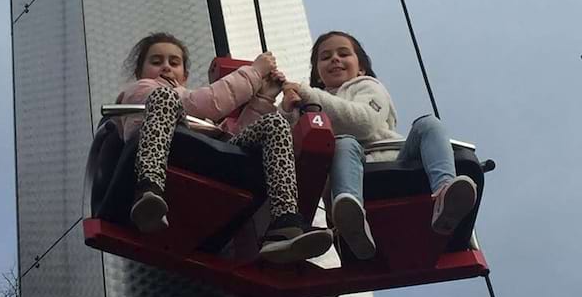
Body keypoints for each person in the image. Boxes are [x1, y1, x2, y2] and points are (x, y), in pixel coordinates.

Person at [115, 32, 332, 264]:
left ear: (185, 75)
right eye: (156, 62)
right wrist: (255, 71)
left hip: (203, 158)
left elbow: (232, 141)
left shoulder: (197, 115)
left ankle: (285, 223)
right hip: (166, 151)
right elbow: (210, 104)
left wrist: (264, 99)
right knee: (165, 96)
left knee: (275, 124)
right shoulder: (143, 90)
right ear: (140, 73)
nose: (166, 68)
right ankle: (149, 190)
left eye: (174, 63)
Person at [280, 30, 477, 259]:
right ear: (318, 75)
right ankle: (352, 216)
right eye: (325, 57)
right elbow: (288, 148)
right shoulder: (309, 106)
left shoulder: (367, 87)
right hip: (355, 170)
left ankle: (445, 194)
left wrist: (307, 93)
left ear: (361, 68)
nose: (334, 59)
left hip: (396, 160)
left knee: (429, 124)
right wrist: (286, 109)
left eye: (343, 54)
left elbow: (364, 123)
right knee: (344, 144)